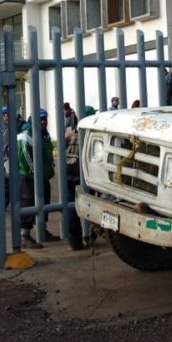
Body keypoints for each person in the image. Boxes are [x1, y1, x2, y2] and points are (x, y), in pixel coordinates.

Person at [18, 109, 57, 249]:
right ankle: (24, 234)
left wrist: (50, 167)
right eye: (40, 119)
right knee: (28, 202)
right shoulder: (26, 135)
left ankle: (42, 230)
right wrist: (34, 170)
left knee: (44, 202)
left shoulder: (45, 135)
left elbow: (48, 154)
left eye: (45, 118)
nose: (43, 121)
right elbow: (23, 155)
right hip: (29, 177)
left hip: (43, 176)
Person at [62, 106, 96, 251]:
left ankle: (74, 240)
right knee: (92, 206)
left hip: (68, 174)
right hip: (84, 176)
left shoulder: (70, 133)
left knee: (71, 208)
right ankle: (89, 235)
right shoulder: (91, 135)